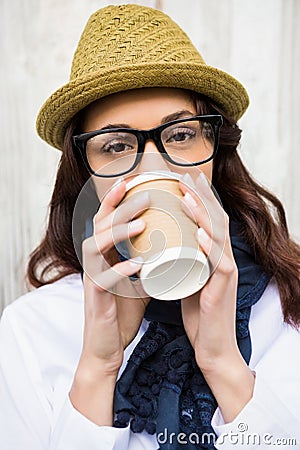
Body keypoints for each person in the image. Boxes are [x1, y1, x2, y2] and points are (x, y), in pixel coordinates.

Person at [0, 4, 299, 450]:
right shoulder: (32, 329)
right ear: (85, 173)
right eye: (117, 146)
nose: (155, 167)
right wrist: (98, 366)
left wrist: (222, 361)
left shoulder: (287, 306)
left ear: (216, 150)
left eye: (180, 135)